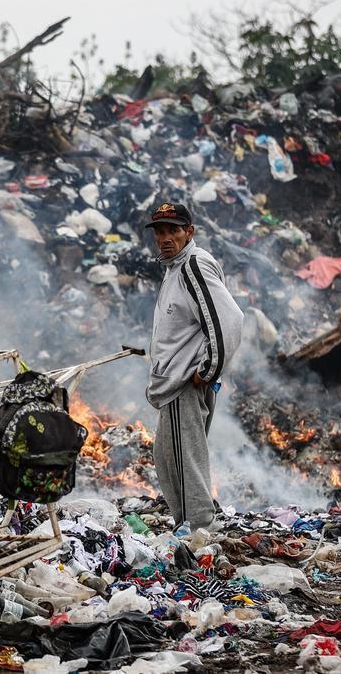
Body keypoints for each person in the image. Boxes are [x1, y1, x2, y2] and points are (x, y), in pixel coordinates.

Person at [144, 202, 243, 529]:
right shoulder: (175, 269)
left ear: (190, 232)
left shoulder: (193, 266)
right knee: (167, 458)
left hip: (184, 383)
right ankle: (188, 523)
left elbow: (228, 319)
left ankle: (199, 528)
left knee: (185, 461)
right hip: (171, 385)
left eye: (174, 230)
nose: (166, 237)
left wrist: (210, 368)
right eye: (160, 231)